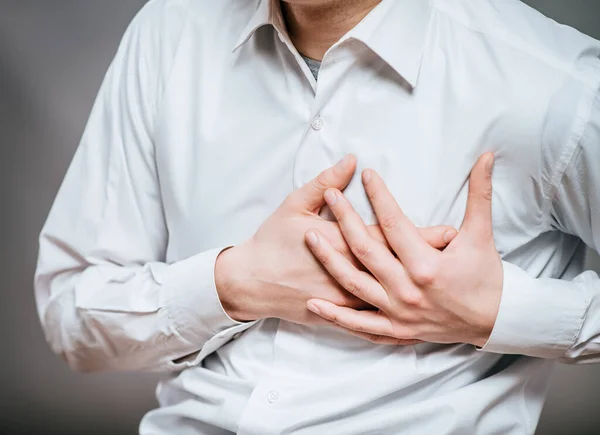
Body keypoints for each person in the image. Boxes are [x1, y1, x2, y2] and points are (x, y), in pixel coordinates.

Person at [34, 0, 600, 433]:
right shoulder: (168, 32)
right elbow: (71, 311)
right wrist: (233, 285)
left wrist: (501, 311)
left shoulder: (553, 82)